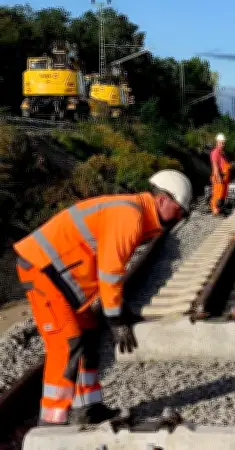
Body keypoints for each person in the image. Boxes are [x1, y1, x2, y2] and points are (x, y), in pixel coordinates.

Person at [13, 169, 193, 427]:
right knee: (67, 343)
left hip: (60, 277)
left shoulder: (137, 215)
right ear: (163, 199)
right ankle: (51, 423)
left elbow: (108, 272)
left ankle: (88, 409)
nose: (181, 217)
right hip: (42, 271)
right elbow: (110, 273)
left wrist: (119, 310)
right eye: (180, 210)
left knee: (88, 334)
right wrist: (116, 319)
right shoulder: (129, 216)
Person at [209, 133, 231, 216]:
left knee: (223, 194)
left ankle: (220, 209)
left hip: (224, 177)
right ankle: (215, 210)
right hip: (219, 177)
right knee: (217, 194)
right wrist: (218, 177)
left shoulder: (222, 153)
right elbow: (215, 166)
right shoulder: (215, 153)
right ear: (217, 142)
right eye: (221, 142)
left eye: (223, 143)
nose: (222, 144)